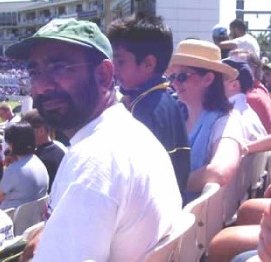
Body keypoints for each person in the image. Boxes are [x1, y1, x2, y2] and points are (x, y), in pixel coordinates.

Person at [5, 18, 182, 261]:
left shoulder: (94, 158)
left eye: (59, 68)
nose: (43, 86)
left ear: (104, 74)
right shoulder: (127, 133)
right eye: (34, 72)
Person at [107, 12, 190, 196]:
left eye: (120, 61)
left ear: (148, 63)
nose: (113, 68)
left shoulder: (141, 111)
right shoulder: (168, 101)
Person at [166, 39, 243, 204]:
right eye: (173, 76)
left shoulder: (225, 121)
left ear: (208, 79)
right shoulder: (175, 114)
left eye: (182, 76)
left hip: (188, 221)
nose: (174, 83)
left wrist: (166, 185)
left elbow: (221, 171)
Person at [0, 121, 49, 210]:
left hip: (10, 219)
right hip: (34, 218)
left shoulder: (14, 170)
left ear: (12, 144)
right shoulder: (39, 163)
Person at [21, 109, 67, 192]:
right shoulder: (59, 148)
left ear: (41, 131)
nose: (23, 135)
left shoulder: (39, 159)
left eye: (26, 131)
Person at [222, 57, 267, 140]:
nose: (215, 82)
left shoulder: (232, 116)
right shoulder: (244, 109)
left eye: (221, 78)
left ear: (234, 85)